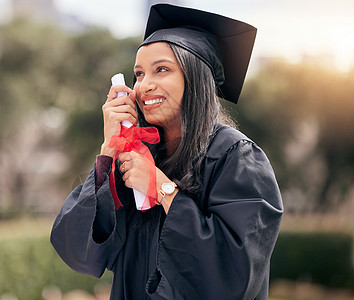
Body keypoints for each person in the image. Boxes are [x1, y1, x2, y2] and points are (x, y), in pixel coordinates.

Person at [51, 4, 283, 300]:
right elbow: (79, 252)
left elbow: (235, 274)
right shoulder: (137, 156)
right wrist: (109, 151)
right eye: (138, 74)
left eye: (161, 69)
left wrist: (163, 190)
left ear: (196, 77)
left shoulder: (237, 157)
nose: (145, 85)